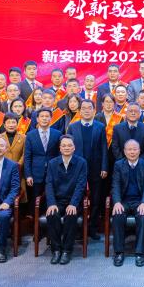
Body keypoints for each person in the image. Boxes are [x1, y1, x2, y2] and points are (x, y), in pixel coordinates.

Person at [66, 100, 108, 240]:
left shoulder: (100, 127)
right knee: (77, 198)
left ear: (94, 110)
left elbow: (103, 148)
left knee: (96, 200)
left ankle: (92, 228)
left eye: (89, 108)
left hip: (96, 168)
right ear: (80, 111)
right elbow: (68, 148)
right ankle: (78, 228)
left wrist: (104, 167)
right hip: (77, 168)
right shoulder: (72, 127)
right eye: (83, 108)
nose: (86, 110)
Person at [45, 135, 88, 265]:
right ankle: (56, 250)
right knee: (52, 214)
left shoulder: (81, 162)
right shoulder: (52, 163)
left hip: (73, 200)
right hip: (57, 200)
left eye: (69, 145)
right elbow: (48, 184)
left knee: (71, 215)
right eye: (64, 145)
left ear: (74, 147)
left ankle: (66, 251)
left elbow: (81, 185)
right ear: (60, 148)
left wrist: (73, 204)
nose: (67, 148)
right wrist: (51, 203)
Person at [111, 139, 144, 267]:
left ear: (139, 151)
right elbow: (115, 185)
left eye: (135, 149)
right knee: (118, 215)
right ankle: (119, 252)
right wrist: (117, 202)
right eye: (129, 149)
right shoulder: (118, 165)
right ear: (124, 151)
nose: (132, 152)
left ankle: (140, 253)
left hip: (139, 201)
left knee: (143, 216)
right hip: (123, 201)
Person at [24, 108, 62, 217]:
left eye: (47, 116)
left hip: (53, 171)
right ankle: (36, 223)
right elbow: (27, 157)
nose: (44, 118)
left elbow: (59, 155)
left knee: (52, 197)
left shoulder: (57, 134)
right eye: (42, 116)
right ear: (37, 119)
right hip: (36, 172)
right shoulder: (30, 135)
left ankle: (50, 220)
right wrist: (28, 175)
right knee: (36, 200)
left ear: (51, 118)